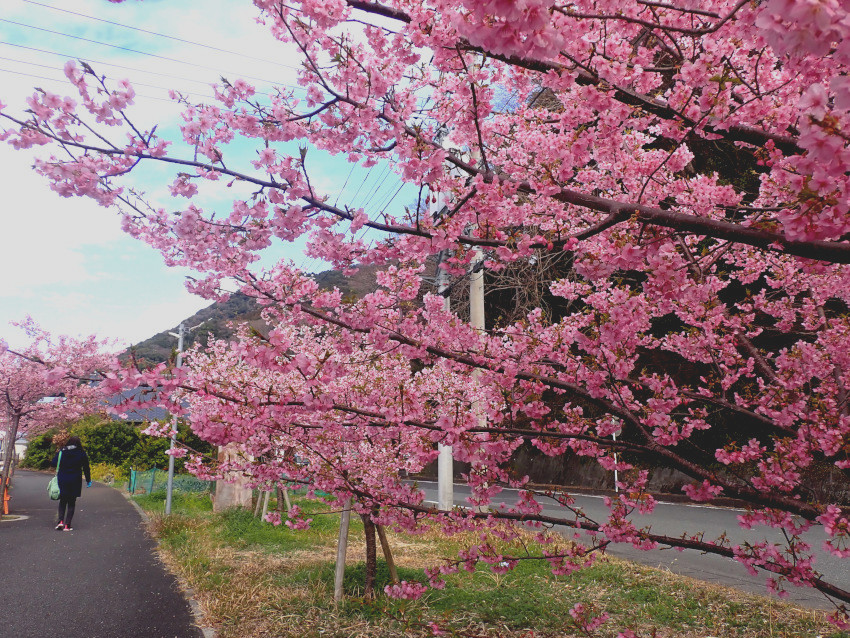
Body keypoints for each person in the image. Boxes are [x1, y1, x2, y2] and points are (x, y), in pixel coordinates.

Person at [50, 435, 92, 531]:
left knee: (63, 501)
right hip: (75, 479)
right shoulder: (81, 453)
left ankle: (60, 521)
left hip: (63, 478)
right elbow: (86, 468)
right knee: (71, 502)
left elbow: (53, 463)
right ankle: (67, 525)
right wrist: (88, 480)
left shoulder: (62, 451)